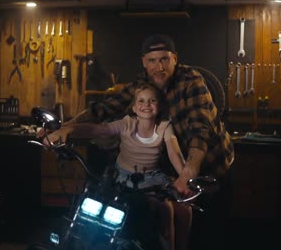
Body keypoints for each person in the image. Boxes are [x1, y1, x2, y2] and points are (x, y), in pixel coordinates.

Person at [45, 34, 235, 250]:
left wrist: (187, 173)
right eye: (152, 61)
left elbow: (200, 130)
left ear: (175, 59)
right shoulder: (142, 86)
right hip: (174, 171)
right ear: (144, 62)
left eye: (164, 59)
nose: (159, 67)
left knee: (210, 235)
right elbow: (104, 110)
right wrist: (65, 128)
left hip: (210, 166)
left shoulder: (190, 81)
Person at [45, 83, 190, 249]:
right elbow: (99, 130)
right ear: (134, 108)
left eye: (152, 100)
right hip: (123, 178)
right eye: (141, 101)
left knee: (175, 210)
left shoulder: (165, 127)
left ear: (160, 106)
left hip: (152, 180)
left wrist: (185, 178)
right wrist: (68, 130)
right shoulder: (127, 124)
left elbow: (174, 152)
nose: (146, 105)